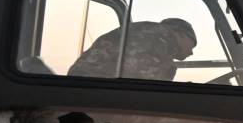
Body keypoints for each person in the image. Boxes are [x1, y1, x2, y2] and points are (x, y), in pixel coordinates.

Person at [68, 17, 196, 81]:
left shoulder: (148, 32)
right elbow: (147, 87)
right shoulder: (160, 37)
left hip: (84, 85)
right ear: (180, 33)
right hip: (95, 92)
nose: (191, 52)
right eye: (192, 44)